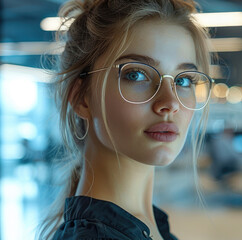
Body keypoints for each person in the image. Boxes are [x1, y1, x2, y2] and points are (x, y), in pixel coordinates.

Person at [37, 0, 213, 239]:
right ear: (81, 98)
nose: (170, 102)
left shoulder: (150, 227)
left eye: (183, 81)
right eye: (136, 74)